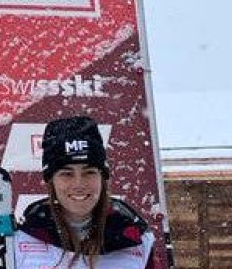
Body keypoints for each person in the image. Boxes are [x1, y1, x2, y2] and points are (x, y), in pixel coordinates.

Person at [14, 115, 155, 269]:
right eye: (67, 174)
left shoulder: (137, 238)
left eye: (89, 172)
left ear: (102, 177)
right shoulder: (21, 239)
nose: (79, 184)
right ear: (51, 180)